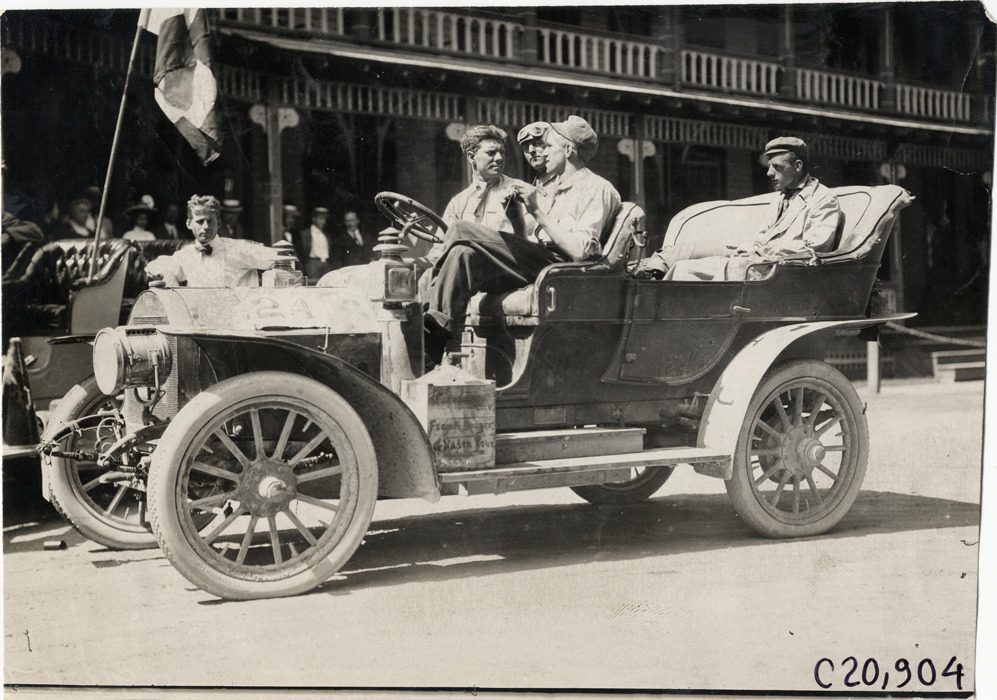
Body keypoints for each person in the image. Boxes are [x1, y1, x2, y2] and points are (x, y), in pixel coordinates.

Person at [424, 116, 621, 364]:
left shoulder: (595, 187)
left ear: (568, 150)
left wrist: (537, 210)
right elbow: (524, 242)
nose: (542, 152)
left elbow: (580, 251)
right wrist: (517, 216)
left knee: (461, 230)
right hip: (536, 262)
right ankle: (433, 350)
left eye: (549, 146)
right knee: (462, 254)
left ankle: (425, 315)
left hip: (560, 269)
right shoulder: (550, 189)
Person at [640, 137, 840, 281]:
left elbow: (813, 250)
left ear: (797, 166)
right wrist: (751, 248)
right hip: (757, 265)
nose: (769, 173)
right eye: (769, 166)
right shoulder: (780, 199)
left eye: (777, 167)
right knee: (683, 268)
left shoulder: (823, 199)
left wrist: (760, 251)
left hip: (783, 276)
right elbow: (762, 237)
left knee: (716, 271)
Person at [145, 195, 285, 288]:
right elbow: (158, 266)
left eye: (210, 221)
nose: (206, 227)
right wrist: (160, 271)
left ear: (218, 223)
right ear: (189, 224)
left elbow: (281, 258)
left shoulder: (237, 249)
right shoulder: (187, 255)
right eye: (200, 221)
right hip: (199, 319)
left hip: (237, 320)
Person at [297, 206, 333, 282]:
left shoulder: (326, 235)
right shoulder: (305, 234)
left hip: (325, 264)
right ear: (313, 219)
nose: (323, 222)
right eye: (320, 218)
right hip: (313, 264)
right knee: (314, 284)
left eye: (324, 219)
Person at [516, 121, 556, 189]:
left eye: (538, 143)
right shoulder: (531, 186)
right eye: (526, 147)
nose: (531, 150)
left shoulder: (564, 180)